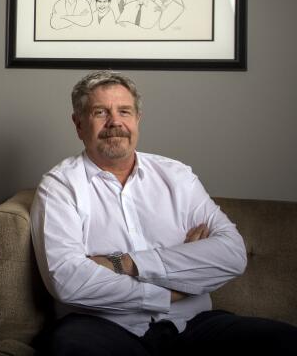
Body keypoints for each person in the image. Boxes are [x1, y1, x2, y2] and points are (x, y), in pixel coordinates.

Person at [30, 71, 297, 355]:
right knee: (69, 347)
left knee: (285, 341)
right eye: (100, 112)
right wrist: (175, 286)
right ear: (79, 123)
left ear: (137, 119)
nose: (115, 122)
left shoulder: (177, 176)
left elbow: (232, 253)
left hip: (193, 325)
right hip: (102, 328)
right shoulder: (59, 187)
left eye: (124, 111)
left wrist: (124, 263)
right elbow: (69, 282)